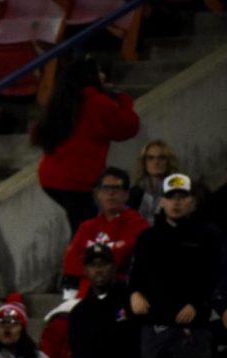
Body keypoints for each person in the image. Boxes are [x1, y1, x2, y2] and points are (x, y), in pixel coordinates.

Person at [128, 173, 223, 358]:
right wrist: (135, 294)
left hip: (193, 328)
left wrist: (197, 303)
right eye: (171, 197)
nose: (176, 202)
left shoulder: (208, 236)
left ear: (192, 201)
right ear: (162, 201)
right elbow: (135, 276)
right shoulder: (147, 237)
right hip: (155, 328)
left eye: (182, 197)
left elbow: (214, 276)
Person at [33, 58, 139, 235]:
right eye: (99, 72)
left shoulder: (62, 101)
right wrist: (123, 100)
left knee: (82, 227)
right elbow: (127, 128)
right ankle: (80, 262)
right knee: (87, 232)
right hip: (76, 181)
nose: (103, 76)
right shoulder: (96, 102)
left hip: (50, 178)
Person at [68, 243, 143, 358]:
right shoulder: (79, 311)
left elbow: (138, 343)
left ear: (113, 268)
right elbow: (78, 351)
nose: (98, 270)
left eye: (103, 264)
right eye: (93, 265)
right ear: (86, 270)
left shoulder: (130, 301)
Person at [60, 166, 148, 297]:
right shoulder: (87, 226)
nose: (110, 193)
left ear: (126, 194)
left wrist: (90, 264)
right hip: (85, 295)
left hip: (121, 293)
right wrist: (107, 262)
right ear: (99, 194)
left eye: (116, 188)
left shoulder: (138, 225)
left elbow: (121, 259)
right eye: (106, 188)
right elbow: (70, 262)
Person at [128, 139, 179, 226]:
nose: (156, 162)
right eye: (150, 158)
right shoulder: (134, 192)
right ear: (144, 162)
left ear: (169, 161)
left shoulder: (177, 190)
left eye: (161, 158)